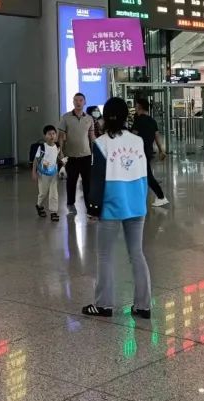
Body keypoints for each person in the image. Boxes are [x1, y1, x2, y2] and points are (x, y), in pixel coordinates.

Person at [81, 97, 152, 319]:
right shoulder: (137, 141)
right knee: (136, 254)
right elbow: (145, 172)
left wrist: (93, 209)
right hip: (136, 204)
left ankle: (104, 305)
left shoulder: (101, 143)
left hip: (111, 206)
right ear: (125, 116)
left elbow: (96, 180)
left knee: (105, 255)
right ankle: (143, 306)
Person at [59, 93, 96, 218]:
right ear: (73, 102)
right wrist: (61, 151)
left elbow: (92, 137)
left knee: (87, 183)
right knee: (71, 181)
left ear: (84, 102)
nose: (78, 102)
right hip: (71, 156)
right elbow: (61, 136)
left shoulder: (89, 118)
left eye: (80, 100)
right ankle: (70, 204)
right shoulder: (66, 117)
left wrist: (97, 151)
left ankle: (89, 207)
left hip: (86, 156)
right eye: (76, 100)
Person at [132, 98, 169, 207]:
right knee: (142, 175)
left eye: (136, 106)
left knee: (147, 176)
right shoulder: (152, 121)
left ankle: (161, 197)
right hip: (148, 151)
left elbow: (133, 136)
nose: (135, 108)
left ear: (139, 106)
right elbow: (157, 137)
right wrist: (161, 150)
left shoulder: (138, 120)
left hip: (138, 153)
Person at [32, 125, 61, 222]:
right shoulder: (42, 147)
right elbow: (36, 160)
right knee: (43, 193)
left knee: (54, 193)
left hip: (53, 173)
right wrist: (34, 172)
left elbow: (56, 158)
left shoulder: (57, 146)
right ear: (45, 136)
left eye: (53, 133)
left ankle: (53, 212)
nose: (52, 136)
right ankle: (39, 205)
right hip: (43, 174)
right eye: (49, 134)